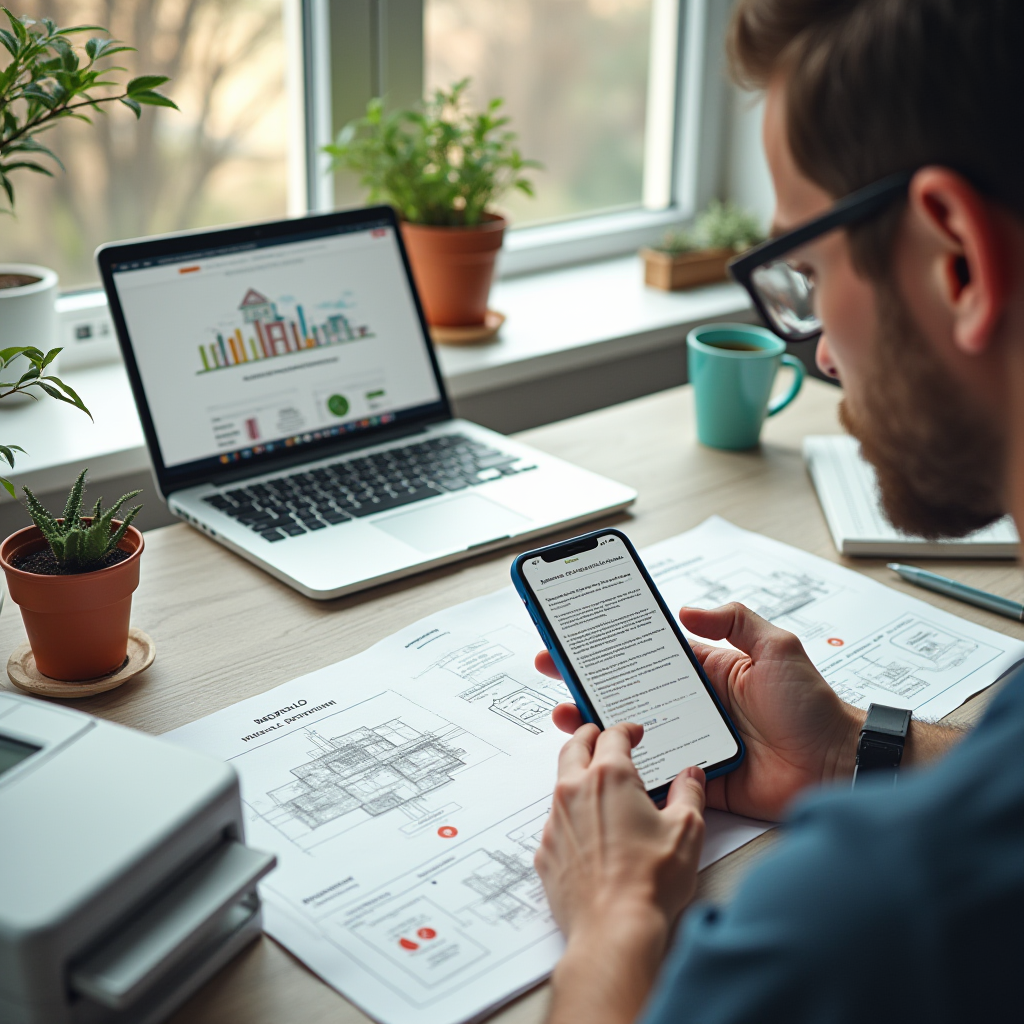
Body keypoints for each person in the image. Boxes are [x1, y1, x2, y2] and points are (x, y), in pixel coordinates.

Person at [531, 2, 1024, 1021]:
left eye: (805, 274)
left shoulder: (864, 922)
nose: (822, 355)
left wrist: (615, 914)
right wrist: (849, 750)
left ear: (957, 261)